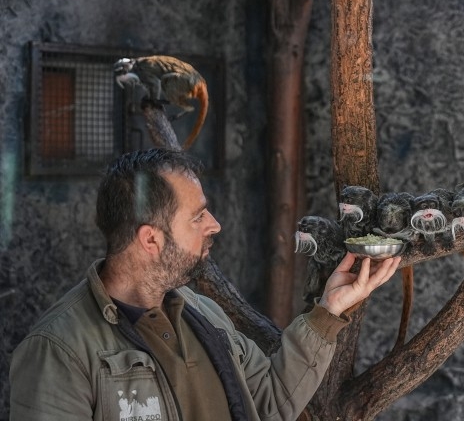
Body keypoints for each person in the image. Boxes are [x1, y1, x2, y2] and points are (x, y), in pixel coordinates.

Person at [10, 148, 400, 421]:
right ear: (151, 240)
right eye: (198, 217)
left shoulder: (203, 313)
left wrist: (328, 311)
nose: (215, 224)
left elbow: (270, 403)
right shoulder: (59, 351)